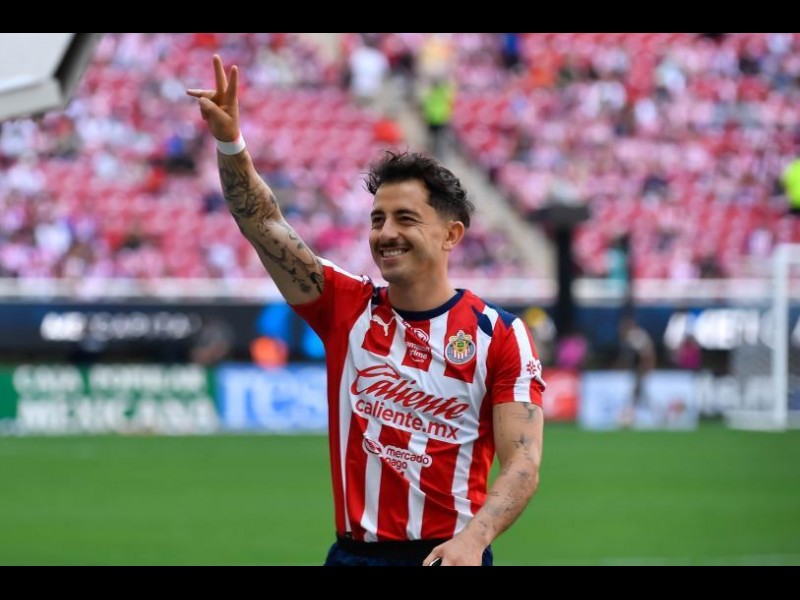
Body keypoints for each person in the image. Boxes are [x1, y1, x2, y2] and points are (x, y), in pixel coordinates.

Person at [187, 55, 545, 567]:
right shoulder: (345, 306)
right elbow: (264, 225)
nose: (386, 233)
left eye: (405, 218)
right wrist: (230, 143)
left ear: (451, 234)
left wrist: (475, 538)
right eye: (377, 219)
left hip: (449, 555)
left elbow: (523, 462)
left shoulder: (500, 335)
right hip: (353, 557)